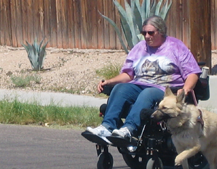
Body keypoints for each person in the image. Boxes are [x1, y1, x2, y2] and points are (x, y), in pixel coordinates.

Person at [86, 15, 202, 144]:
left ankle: (129, 129)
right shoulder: (140, 47)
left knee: (148, 93)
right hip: (139, 84)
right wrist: (110, 81)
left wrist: (185, 89)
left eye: (151, 33)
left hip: (165, 89)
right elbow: (128, 74)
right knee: (120, 88)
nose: (147, 36)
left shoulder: (176, 46)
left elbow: (192, 72)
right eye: (144, 33)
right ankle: (107, 127)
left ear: (161, 31)